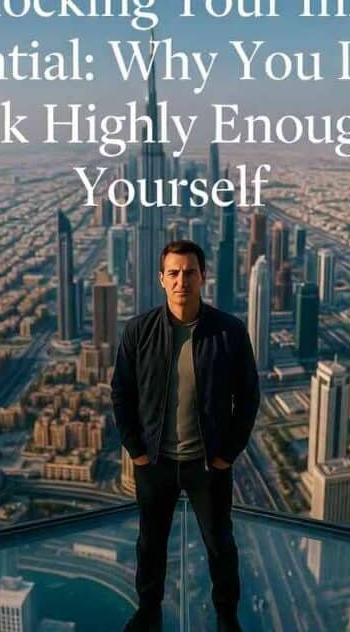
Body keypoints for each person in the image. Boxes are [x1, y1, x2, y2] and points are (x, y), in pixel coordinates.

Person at [111, 240, 260, 632]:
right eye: (173, 273)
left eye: (190, 272)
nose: (182, 281)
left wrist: (226, 456)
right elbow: (121, 393)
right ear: (161, 279)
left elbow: (248, 396)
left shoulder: (229, 331)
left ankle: (226, 615)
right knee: (150, 543)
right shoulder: (139, 331)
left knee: (220, 544)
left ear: (203, 277)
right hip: (155, 462)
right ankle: (148, 611)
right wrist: (137, 452)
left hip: (207, 465)